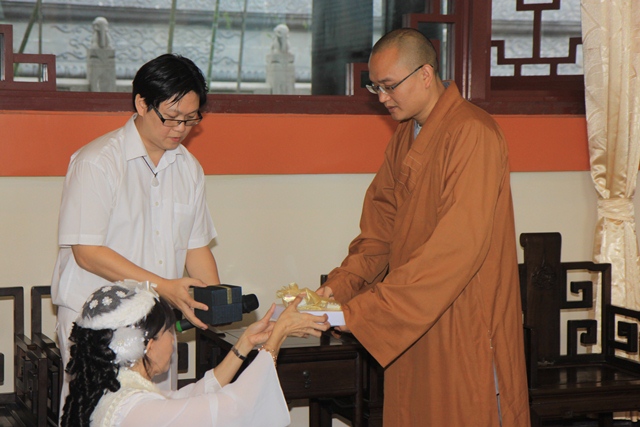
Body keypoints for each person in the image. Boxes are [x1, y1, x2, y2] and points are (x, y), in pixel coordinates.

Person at [316, 28, 530, 426]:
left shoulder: (473, 132)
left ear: (426, 75)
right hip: (411, 319)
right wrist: (338, 289)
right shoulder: (405, 136)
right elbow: (379, 233)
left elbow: (456, 248)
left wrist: (362, 313)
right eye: (375, 87)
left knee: (466, 410)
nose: (382, 98)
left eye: (389, 85)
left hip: (463, 317)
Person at [52, 53, 219, 404]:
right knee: (101, 415)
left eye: (190, 119)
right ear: (142, 104)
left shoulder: (189, 169)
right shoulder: (97, 162)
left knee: (158, 415)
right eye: (171, 117)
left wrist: (214, 302)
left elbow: (196, 246)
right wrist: (164, 287)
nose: (180, 129)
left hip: (156, 326)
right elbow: (87, 252)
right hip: (97, 324)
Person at [61, 280, 330, 427]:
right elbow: (234, 410)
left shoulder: (113, 389)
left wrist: (245, 344)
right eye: (169, 331)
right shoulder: (140, 410)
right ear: (149, 344)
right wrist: (278, 337)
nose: (174, 339)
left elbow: (190, 398)